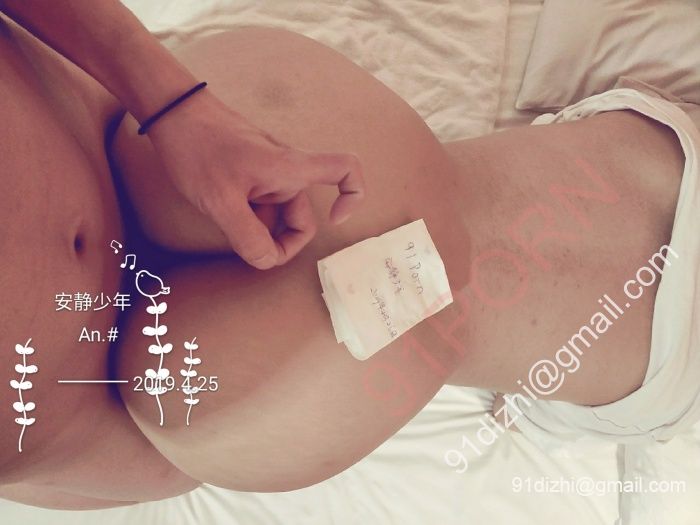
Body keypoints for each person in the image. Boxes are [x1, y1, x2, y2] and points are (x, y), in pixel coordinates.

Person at [2, 3, 698, 512]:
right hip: (132, 383)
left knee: (407, 232)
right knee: (415, 256)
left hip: (131, 136)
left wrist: (170, 101)